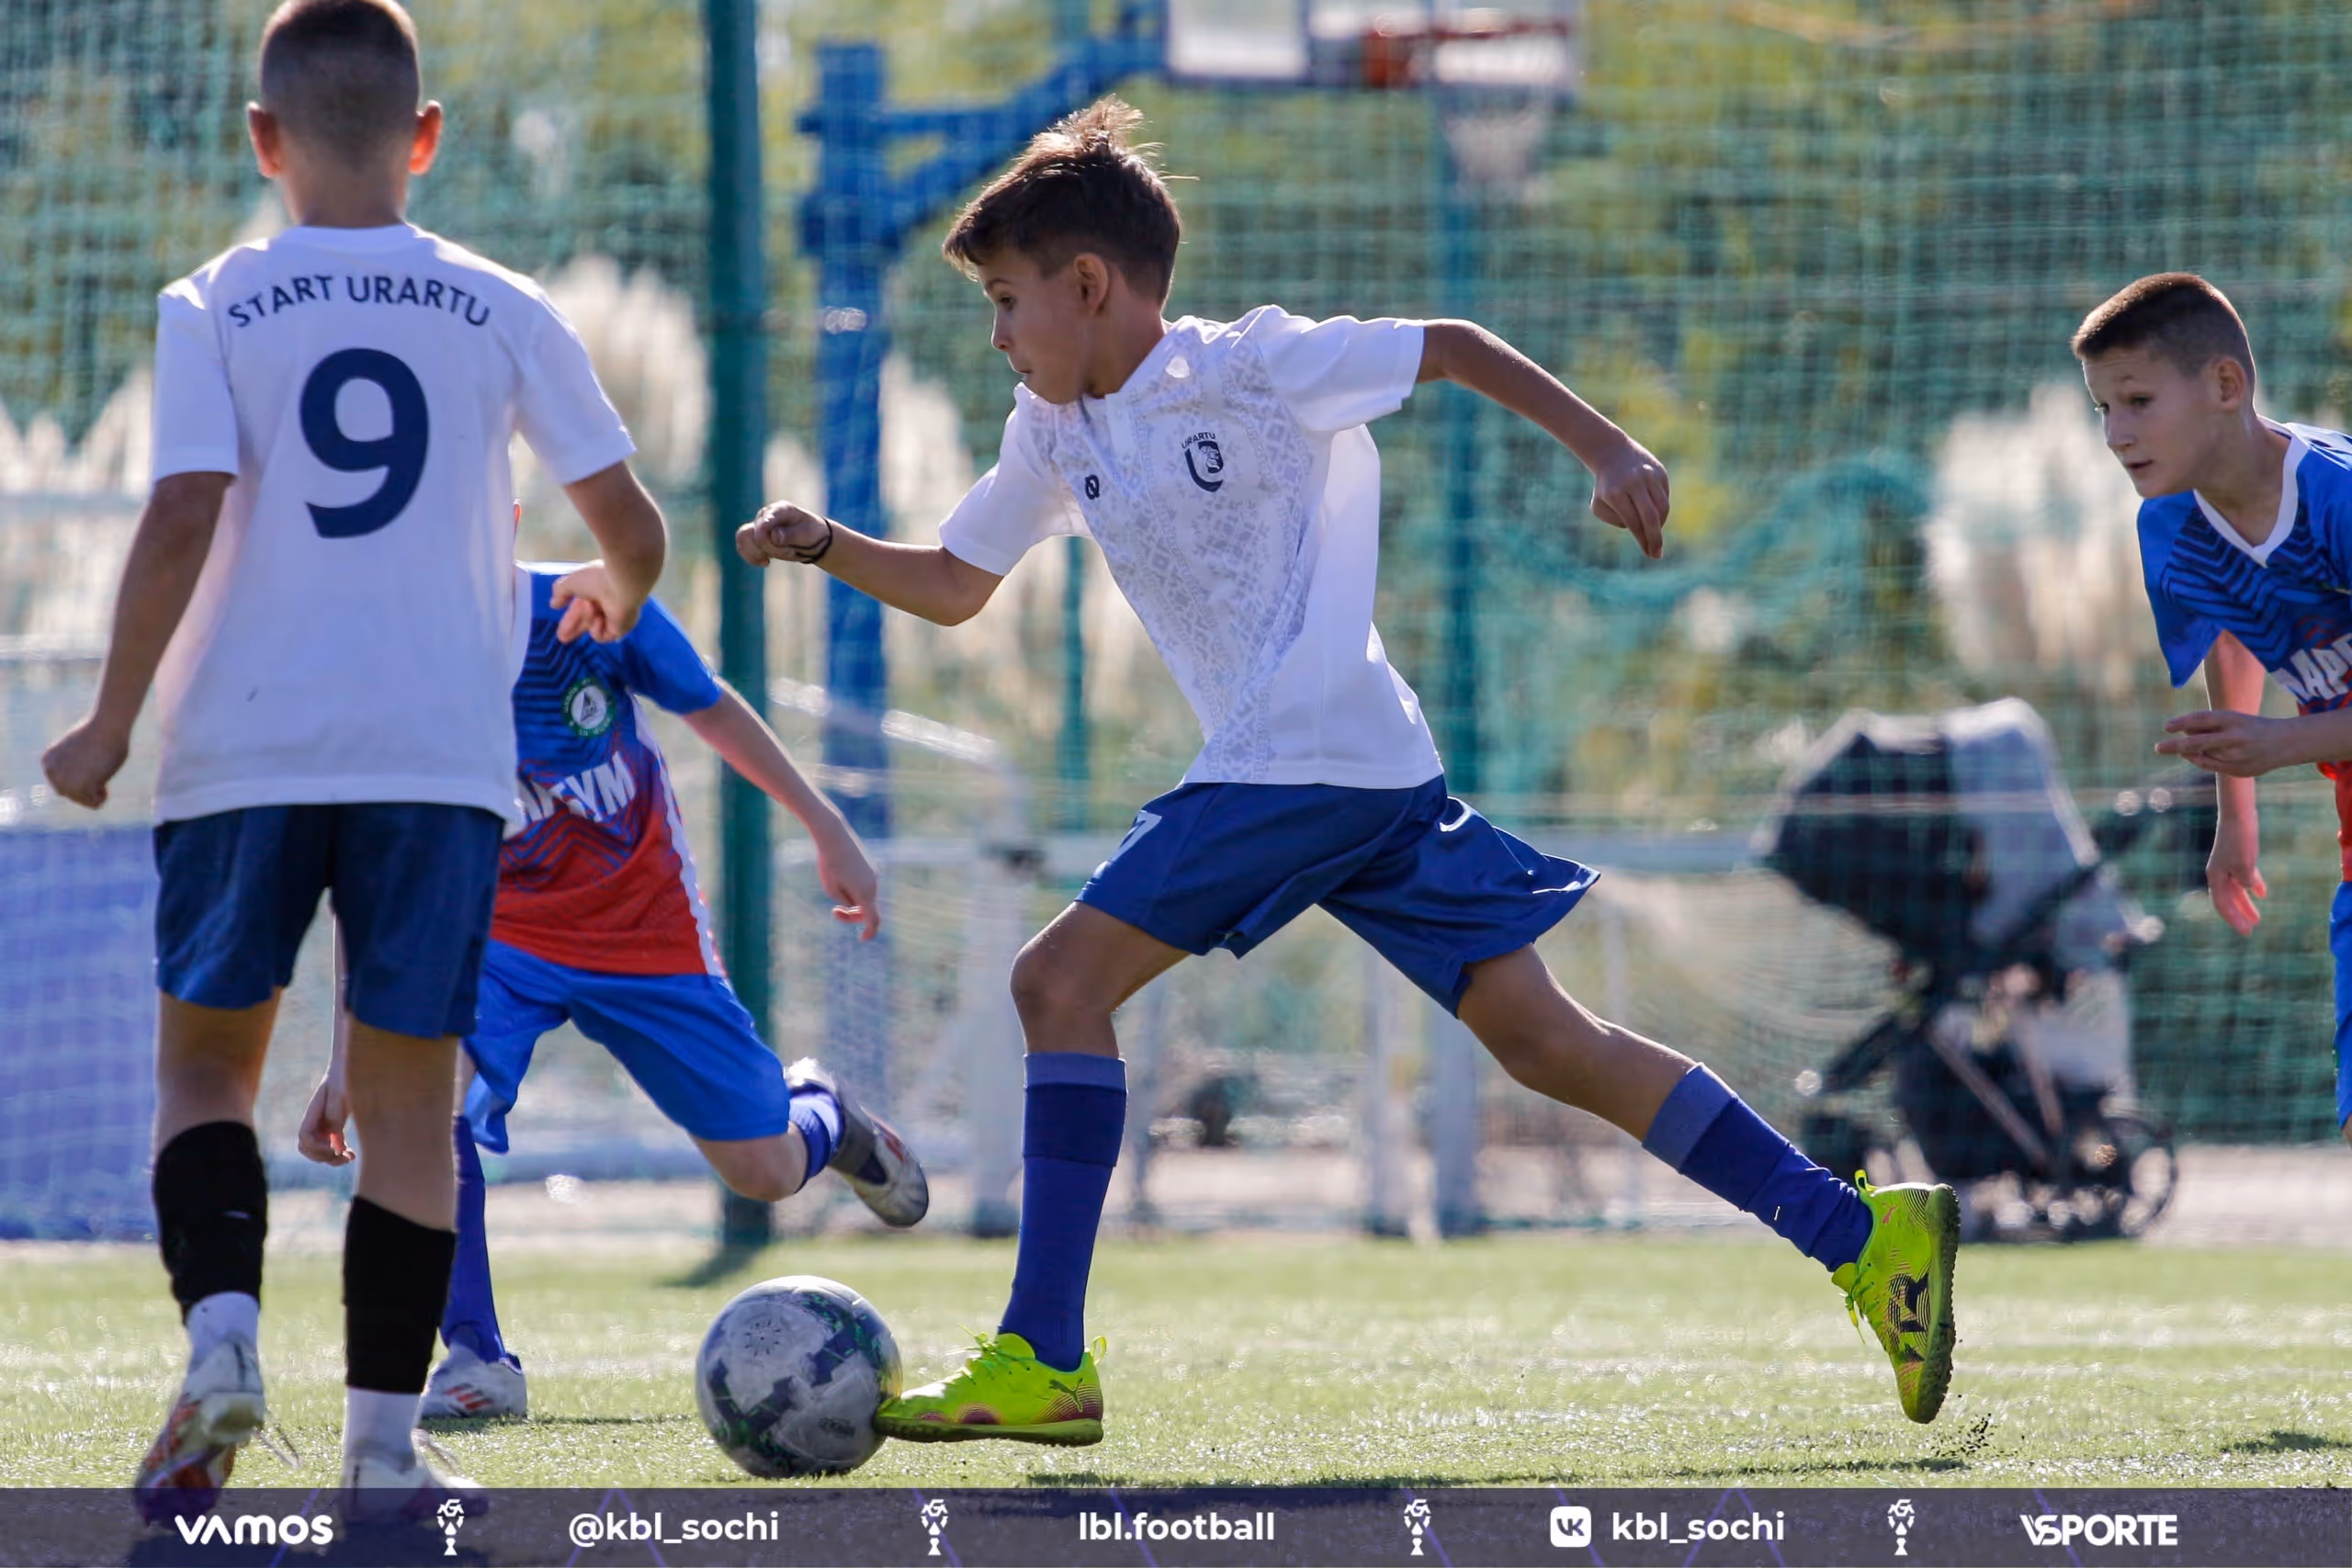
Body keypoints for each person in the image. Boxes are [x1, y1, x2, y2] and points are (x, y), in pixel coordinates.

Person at [735, 96, 1960, 1444]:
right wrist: (825, 543)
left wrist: (1608, 446)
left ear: (1089, 287)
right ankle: (1859, 1231)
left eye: (1010, 302)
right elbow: (962, 583)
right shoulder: (1053, 428)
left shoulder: (1253, 366)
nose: (999, 337)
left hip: (1305, 762)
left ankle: (1043, 1351)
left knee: (1055, 981)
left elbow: (1452, 343)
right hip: (1351, 769)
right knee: (1548, 1040)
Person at [40, 0, 668, 1519]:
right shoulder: (507, 304)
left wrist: (113, 718)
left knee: (205, 1064)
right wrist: (616, 588)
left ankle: (227, 1336)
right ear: (428, 135)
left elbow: (184, 509)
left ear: (264, 142)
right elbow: (630, 526)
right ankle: (385, 1442)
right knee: (406, 1098)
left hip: (243, 746)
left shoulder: (214, 304)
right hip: (438, 760)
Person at [294, 562, 930, 1420]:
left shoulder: (585, 608)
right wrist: (346, 1059)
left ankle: (824, 1113)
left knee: (764, 1171)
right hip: (494, 937)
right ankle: (476, 1359)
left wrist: (825, 824)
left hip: (644, 930)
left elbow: (710, 706)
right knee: (406, 1093)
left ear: (506, 519)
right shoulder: (377, 675)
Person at [2081, 272, 2352, 1146]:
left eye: (2138, 401)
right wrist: (2237, 810)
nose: (2118, 434)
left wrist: (2285, 741)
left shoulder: (2339, 499)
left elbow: (2284, 728)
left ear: (2226, 386)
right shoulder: (2170, 523)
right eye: (2103, 410)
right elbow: (2236, 627)